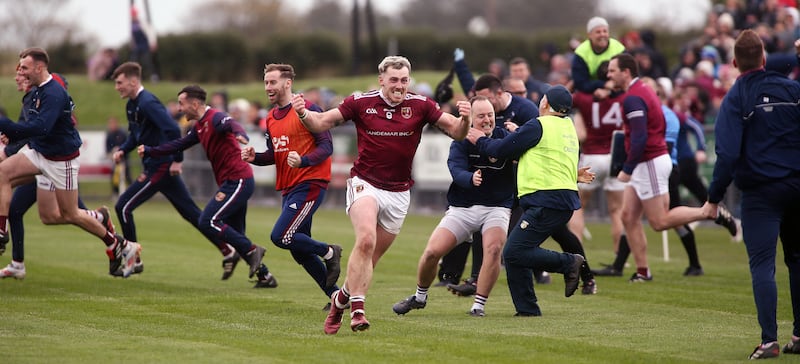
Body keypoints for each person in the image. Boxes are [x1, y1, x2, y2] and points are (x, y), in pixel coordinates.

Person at [291, 55, 470, 334]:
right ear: (381, 80)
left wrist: (467, 118)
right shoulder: (361, 102)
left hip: (399, 193)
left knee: (367, 262)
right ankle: (358, 312)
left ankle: (340, 300)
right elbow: (321, 122)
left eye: (404, 80)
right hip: (365, 183)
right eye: (394, 80)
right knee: (365, 239)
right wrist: (303, 113)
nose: (399, 86)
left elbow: (457, 132)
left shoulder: (421, 105)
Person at [446, 74, 598, 295]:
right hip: (549, 194)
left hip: (542, 196)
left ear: (544, 103)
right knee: (512, 244)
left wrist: (480, 139)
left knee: (515, 250)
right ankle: (523, 302)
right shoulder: (568, 126)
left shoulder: (534, 119)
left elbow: (502, 150)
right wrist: (573, 174)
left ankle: (571, 265)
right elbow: (546, 155)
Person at [701, 31, 800, 360]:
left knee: (762, 265)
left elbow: (726, 155)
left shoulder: (736, 96)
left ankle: (769, 340)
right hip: (797, 186)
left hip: (760, 193)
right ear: (763, 58)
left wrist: (714, 197)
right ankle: (798, 334)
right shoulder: (792, 89)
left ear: (733, 62)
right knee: (797, 261)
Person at [0, 47, 140, 278]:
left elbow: (40, 128)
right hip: (40, 153)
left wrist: (5, 127)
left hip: (60, 160)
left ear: (39, 67)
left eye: (24, 68)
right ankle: (2, 231)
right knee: (5, 175)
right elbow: (32, 130)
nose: (21, 72)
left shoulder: (53, 92)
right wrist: (12, 135)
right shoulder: (35, 91)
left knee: (71, 214)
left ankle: (120, 245)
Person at [607, 53, 737, 282]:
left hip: (648, 162)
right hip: (647, 162)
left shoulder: (634, 97)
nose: (608, 75)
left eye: (612, 70)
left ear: (625, 72)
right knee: (628, 216)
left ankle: (709, 211)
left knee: (659, 221)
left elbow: (639, 138)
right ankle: (643, 271)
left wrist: (627, 168)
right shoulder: (639, 93)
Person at [111, 62, 243, 279]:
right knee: (192, 214)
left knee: (123, 206)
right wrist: (124, 150)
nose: (117, 87)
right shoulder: (132, 105)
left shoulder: (147, 102)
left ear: (133, 81)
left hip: (160, 166)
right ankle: (229, 250)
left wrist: (177, 160)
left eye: (120, 82)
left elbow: (172, 128)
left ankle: (133, 259)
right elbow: (135, 134)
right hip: (158, 166)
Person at [392, 96, 516, 318]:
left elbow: (528, 156)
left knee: (494, 249)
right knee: (432, 252)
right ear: (470, 119)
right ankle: (419, 297)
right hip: (463, 208)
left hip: (496, 207)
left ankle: (478, 306)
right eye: (481, 116)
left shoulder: (505, 138)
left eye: (490, 115)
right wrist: (470, 178)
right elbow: (455, 169)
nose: (487, 120)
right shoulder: (460, 140)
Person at [139, 85, 273, 284]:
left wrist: (241, 135)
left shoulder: (215, 118)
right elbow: (178, 145)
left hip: (239, 180)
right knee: (237, 234)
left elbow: (232, 124)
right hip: (231, 182)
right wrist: (151, 151)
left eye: (182, 104)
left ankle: (253, 250)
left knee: (207, 221)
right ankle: (265, 276)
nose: (179, 109)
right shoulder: (200, 127)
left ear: (194, 104)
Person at [241, 63, 342, 295]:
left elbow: (326, 146)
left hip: (311, 183)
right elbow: (275, 155)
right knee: (299, 249)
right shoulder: (271, 117)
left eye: (273, 82)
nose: (268, 87)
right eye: (266, 82)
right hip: (289, 187)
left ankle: (329, 251)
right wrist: (255, 157)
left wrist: (304, 161)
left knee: (281, 236)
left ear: (288, 83)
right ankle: (337, 297)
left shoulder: (307, 108)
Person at [0, 69, 108, 279]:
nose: (17, 77)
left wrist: (9, 146)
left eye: (22, 72)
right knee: (22, 208)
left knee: (69, 213)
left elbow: (37, 130)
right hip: (41, 159)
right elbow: (28, 133)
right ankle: (17, 262)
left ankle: (109, 231)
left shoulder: (50, 96)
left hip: (54, 161)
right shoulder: (33, 98)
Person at [567, 61, 627, 278]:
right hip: (616, 155)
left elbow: (564, 97)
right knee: (617, 211)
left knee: (577, 206)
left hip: (593, 155)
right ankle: (619, 257)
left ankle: (577, 254)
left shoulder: (585, 97)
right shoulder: (623, 97)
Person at [572, 16, 626, 99]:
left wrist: (609, 91)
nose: (602, 35)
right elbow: (580, 84)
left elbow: (627, 77)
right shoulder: (581, 52)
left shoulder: (619, 49)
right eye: (598, 32)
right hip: (590, 94)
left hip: (617, 91)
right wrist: (603, 84)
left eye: (605, 31)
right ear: (589, 35)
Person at [105, 116, 130, 198]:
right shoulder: (109, 135)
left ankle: (128, 193)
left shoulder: (122, 134)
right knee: (114, 177)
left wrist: (120, 150)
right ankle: (115, 193)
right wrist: (112, 152)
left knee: (126, 176)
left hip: (123, 160)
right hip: (114, 160)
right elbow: (107, 148)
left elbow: (126, 146)